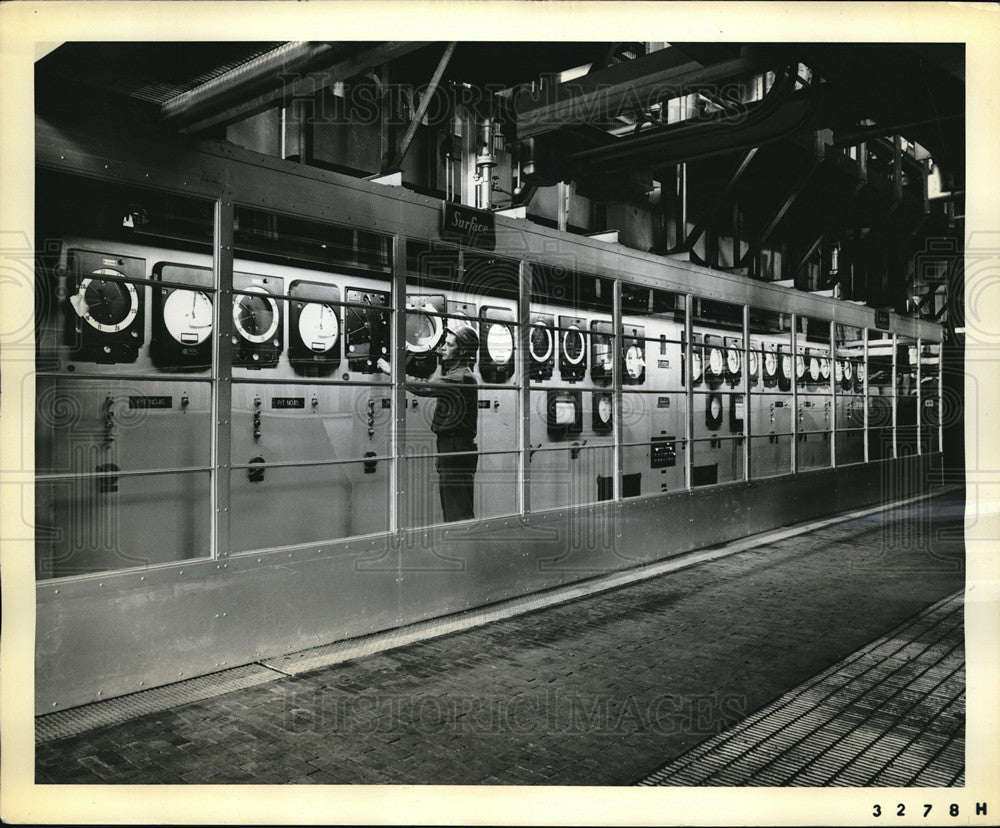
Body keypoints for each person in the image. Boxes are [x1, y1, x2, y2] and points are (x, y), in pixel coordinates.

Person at [378, 324, 480, 522]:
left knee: (457, 509)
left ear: (463, 351)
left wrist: (392, 370)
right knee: (456, 505)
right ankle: (461, 547)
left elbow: (424, 388)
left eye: (449, 345)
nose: (442, 348)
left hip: (455, 446)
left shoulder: (461, 377)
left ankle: (461, 549)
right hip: (453, 445)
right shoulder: (459, 374)